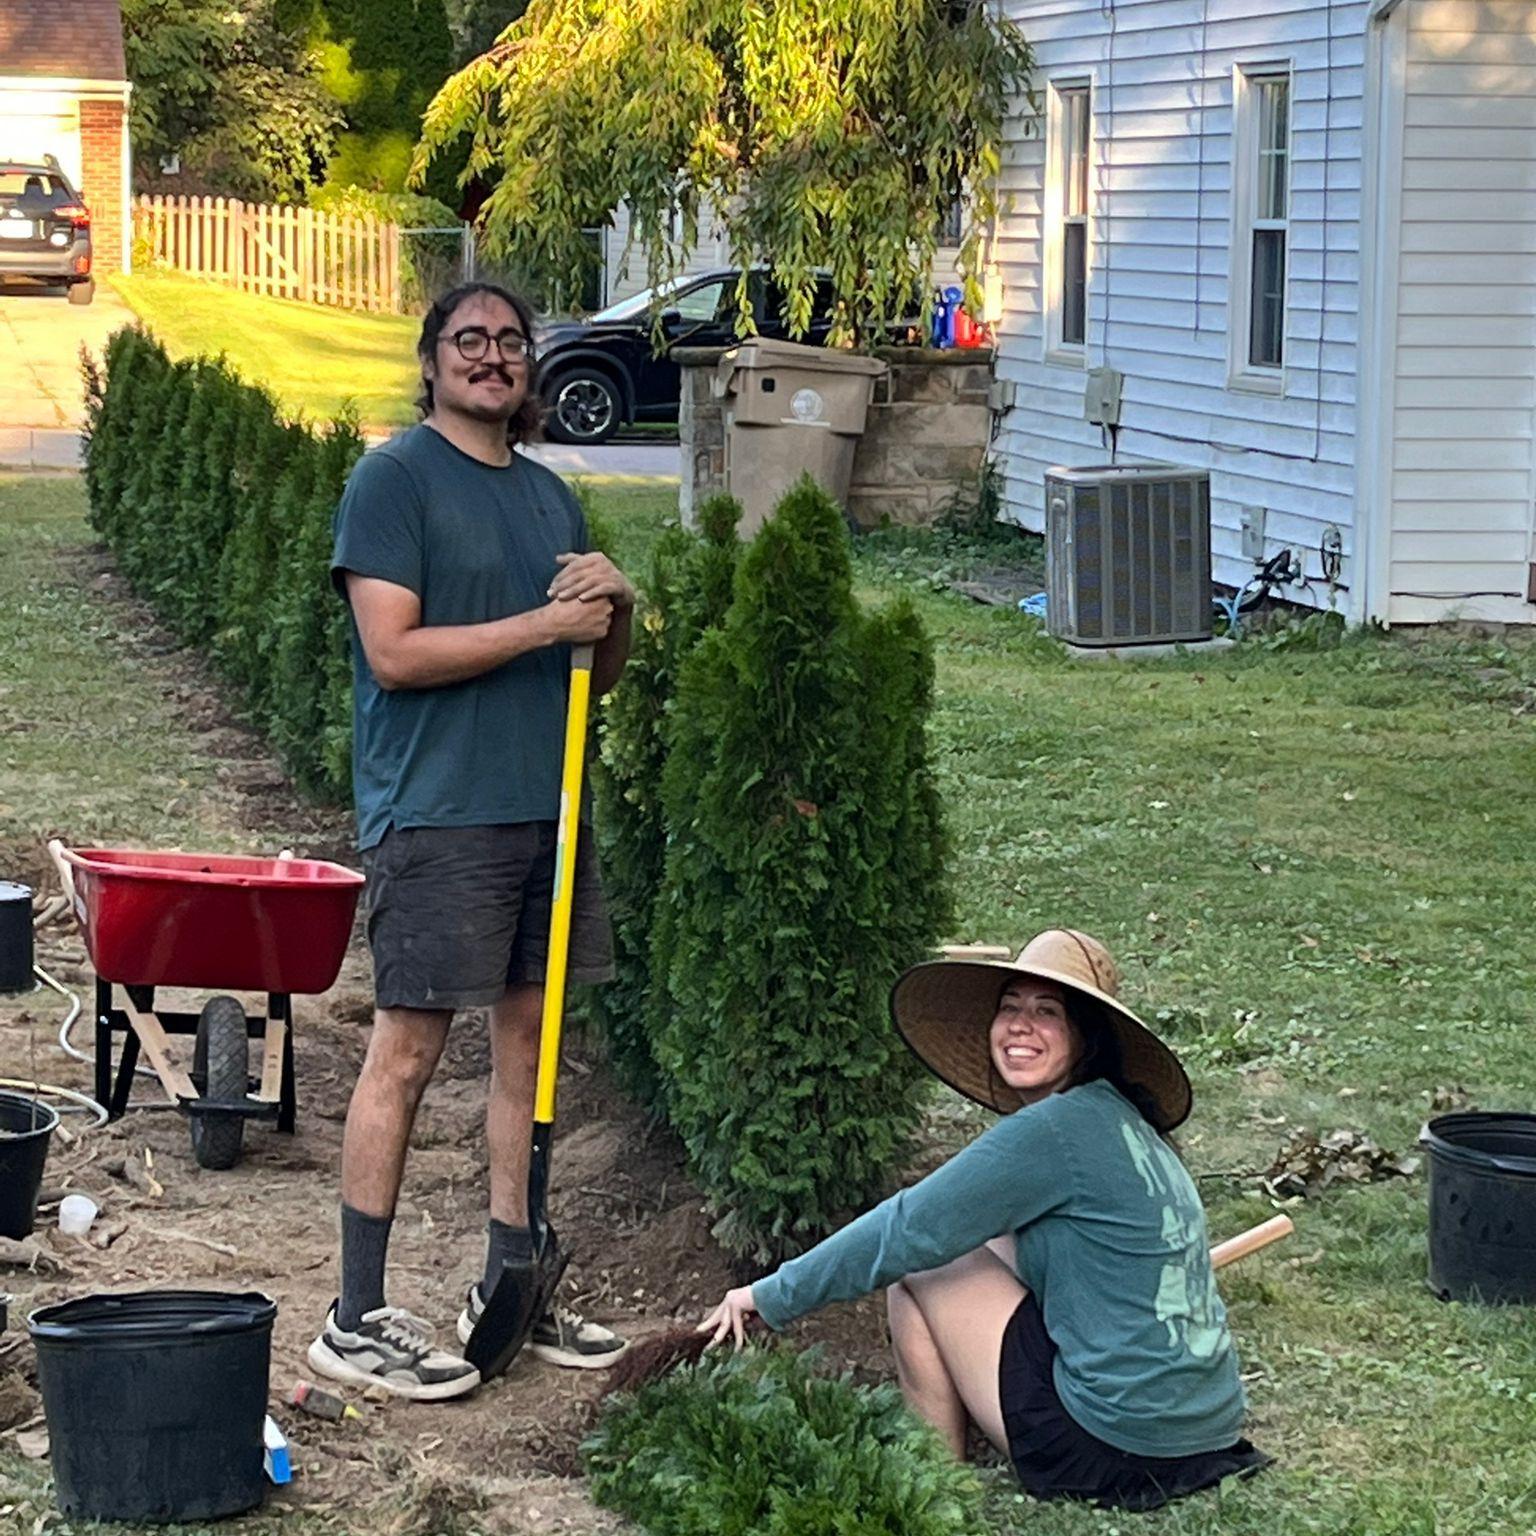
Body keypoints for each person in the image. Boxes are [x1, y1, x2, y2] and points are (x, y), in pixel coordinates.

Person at [310, 282, 635, 1400]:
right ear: (432, 358)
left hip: (546, 812)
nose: (493, 358)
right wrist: (548, 621)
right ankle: (354, 1314)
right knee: (406, 1051)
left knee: (529, 1055)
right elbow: (393, 653)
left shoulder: (549, 499)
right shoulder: (393, 480)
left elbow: (589, 666)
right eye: (470, 341)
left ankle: (514, 1280)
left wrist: (612, 607)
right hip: (438, 812)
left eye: (510, 343)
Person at [700, 929, 1270, 1510]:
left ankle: (938, 1476)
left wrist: (768, 1295)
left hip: (1113, 1449)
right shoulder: (1122, 1122)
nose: (1020, 1025)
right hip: (1203, 1432)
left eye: (1047, 1011)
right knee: (979, 1241)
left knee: (916, 1270)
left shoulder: (1054, 1130)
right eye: (1010, 1008)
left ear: (1086, 1036)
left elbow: (906, 1228)